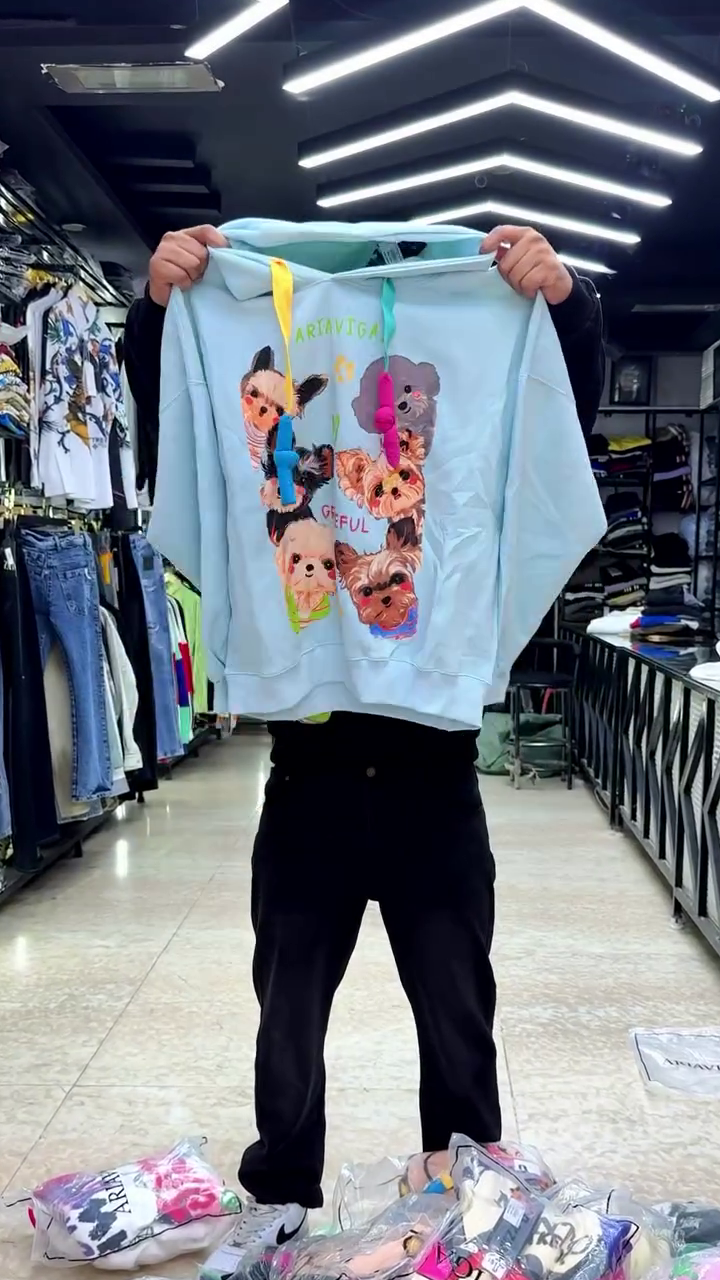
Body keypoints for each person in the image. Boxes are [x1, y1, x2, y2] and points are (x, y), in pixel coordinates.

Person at [124, 222, 604, 1274]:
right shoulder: (251, 327)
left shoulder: (480, 332)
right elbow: (181, 427)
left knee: (457, 1011)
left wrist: (565, 311)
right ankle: (280, 1196)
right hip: (312, 771)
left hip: (434, 771)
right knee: (287, 1014)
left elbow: (553, 428)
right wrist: (157, 316)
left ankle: (469, 1193)